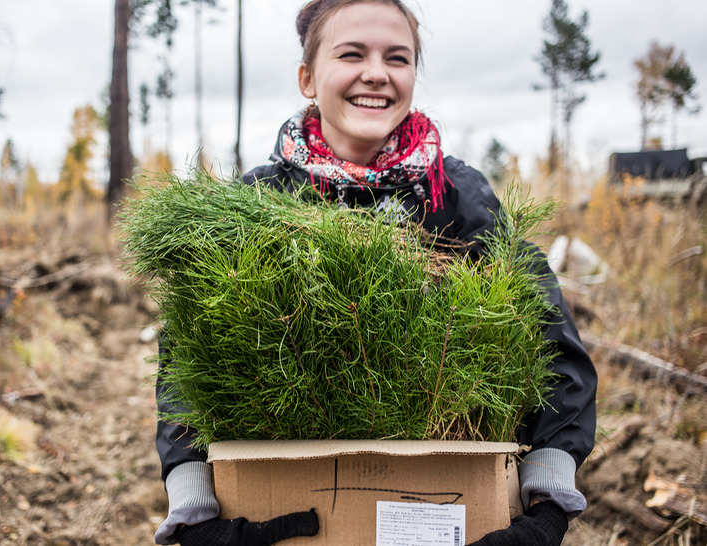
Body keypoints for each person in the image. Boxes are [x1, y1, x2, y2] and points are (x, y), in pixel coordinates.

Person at [153, 1, 598, 544]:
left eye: (398, 58)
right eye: (351, 54)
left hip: (435, 510)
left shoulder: (457, 200)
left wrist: (547, 508)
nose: (376, 73)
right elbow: (188, 362)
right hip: (291, 514)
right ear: (308, 78)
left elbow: (552, 347)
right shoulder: (255, 204)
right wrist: (196, 507)